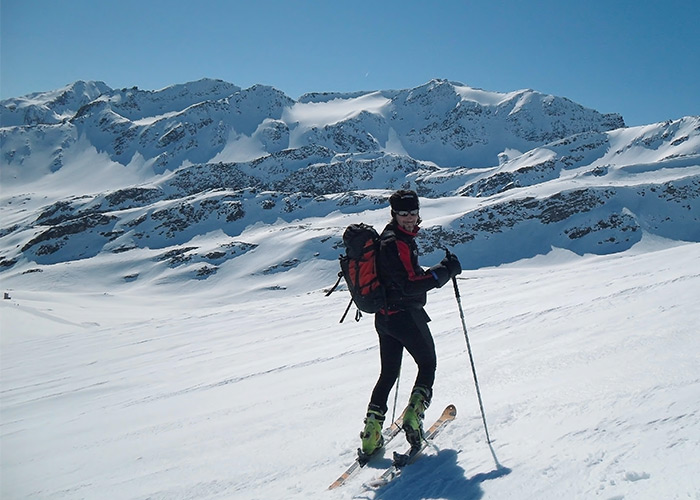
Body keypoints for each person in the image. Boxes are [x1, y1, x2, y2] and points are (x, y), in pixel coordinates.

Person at [360, 189, 462, 458]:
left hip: (384, 319)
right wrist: (444, 271)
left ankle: (371, 435)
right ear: (394, 214)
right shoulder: (398, 243)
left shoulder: (388, 238)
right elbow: (408, 285)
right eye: (403, 214)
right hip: (405, 316)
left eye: (412, 213)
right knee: (427, 365)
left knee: (388, 374)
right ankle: (413, 416)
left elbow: (401, 277)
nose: (408, 218)